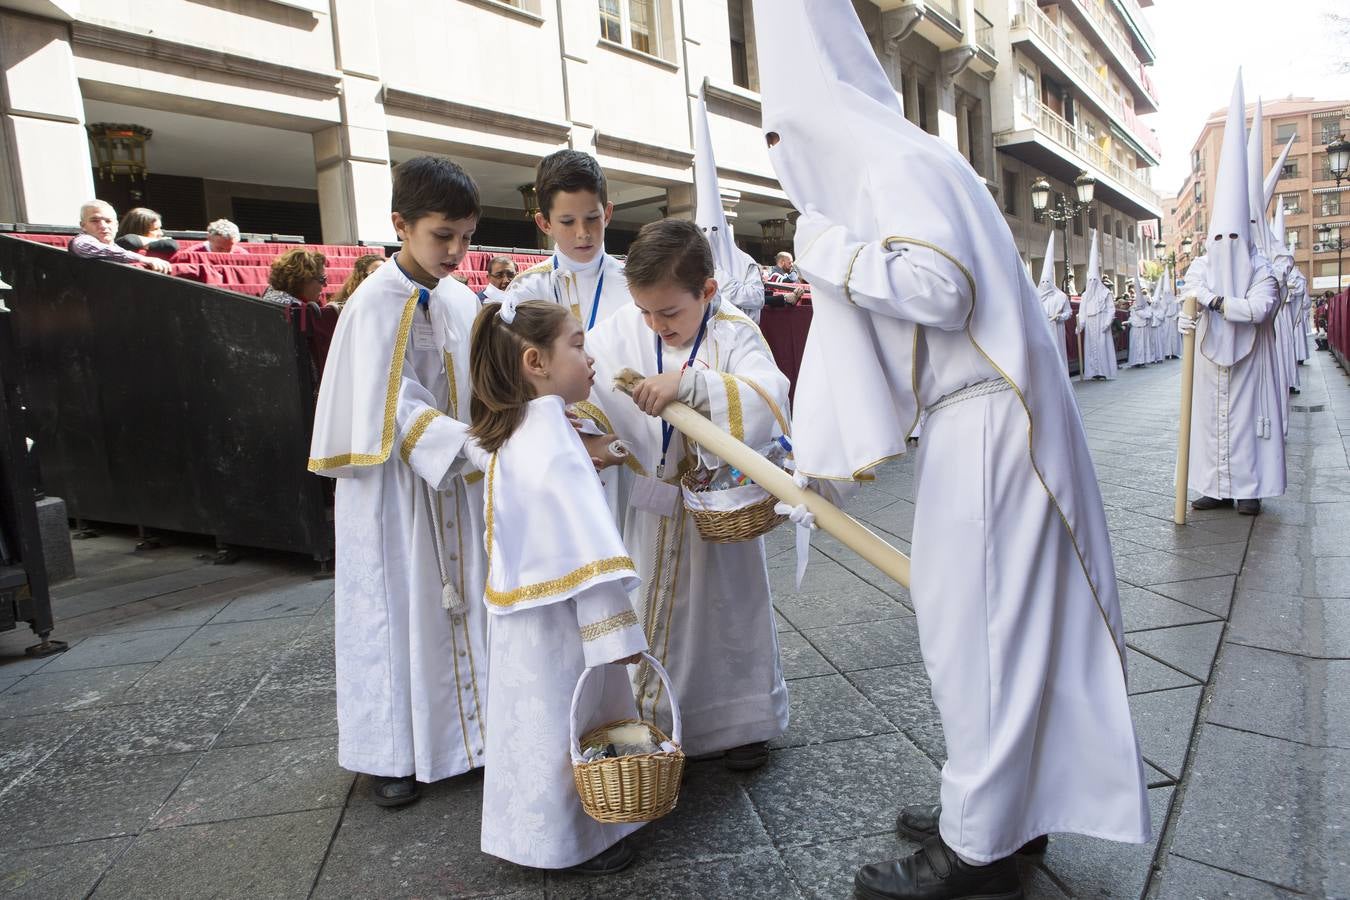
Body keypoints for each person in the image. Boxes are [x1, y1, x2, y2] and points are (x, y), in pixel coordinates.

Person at [753, 3, 1150, 897]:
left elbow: (939, 285)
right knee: (1002, 629)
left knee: (979, 634)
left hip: (989, 424)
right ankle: (1006, 808)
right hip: (991, 417)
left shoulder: (894, 163)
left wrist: (826, 248)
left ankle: (976, 850)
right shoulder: (910, 161)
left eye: (782, 132)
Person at [308, 156, 489, 808]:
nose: (457, 251)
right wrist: (470, 448)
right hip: (397, 493)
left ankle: (469, 738)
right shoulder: (373, 304)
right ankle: (392, 754)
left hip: (458, 482)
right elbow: (396, 408)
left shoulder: (462, 297)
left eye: (467, 236)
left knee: (462, 608)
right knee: (398, 614)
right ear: (401, 225)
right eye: (444, 235)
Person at [580, 218, 790, 770]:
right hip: (648, 505)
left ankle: (741, 723)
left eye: (670, 313)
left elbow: (771, 399)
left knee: (729, 614)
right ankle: (654, 723)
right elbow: (588, 387)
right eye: (646, 312)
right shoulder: (626, 325)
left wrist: (694, 384)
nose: (656, 325)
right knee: (646, 605)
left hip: (717, 507)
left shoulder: (733, 332)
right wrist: (589, 431)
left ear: (708, 291)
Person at [467, 298, 648, 876]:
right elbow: (585, 551)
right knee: (570, 724)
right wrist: (616, 635)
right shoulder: (549, 439)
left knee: (535, 729)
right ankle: (577, 840)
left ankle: (534, 837)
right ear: (535, 362)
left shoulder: (520, 428)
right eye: (576, 344)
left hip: (528, 618)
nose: (589, 357)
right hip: (566, 623)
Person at [1178, 73, 1285, 518]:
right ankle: (1213, 487)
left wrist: (1219, 303)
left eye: (1232, 236)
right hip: (1208, 359)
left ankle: (1248, 489)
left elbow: (1260, 308)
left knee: (1244, 425)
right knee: (1209, 423)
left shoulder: (1263, 269)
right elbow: (1190, 294)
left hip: (1250, 362)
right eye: (1217, 236)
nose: (1225, 244)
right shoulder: (1203, 263)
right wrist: (1188, 317)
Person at [506, 150, 631, 329]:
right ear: (545, 224)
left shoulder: (633, 282)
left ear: (607, 215)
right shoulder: (528, 289)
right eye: (567, 221)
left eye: (592, 218)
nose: (582, 233)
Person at [694, 85, 766, 323]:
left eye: (714, 230)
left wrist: (720, 279)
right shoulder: (688, 263)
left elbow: (757, 297)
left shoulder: (745, 262)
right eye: (704, 231)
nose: (710, 236)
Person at [68, 201, 172, 273]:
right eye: (95, 221)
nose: (103, 226)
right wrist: (144, 259)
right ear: (83, 226)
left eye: (108, 221)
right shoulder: (82, 241)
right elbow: (86, 247)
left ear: (116, 225)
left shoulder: (117, 248)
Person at [1076, 231, 1117, 380]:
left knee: (1101, 347)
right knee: (1091, 348)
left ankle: (1103, 371)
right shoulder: (1086, 295)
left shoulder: (1105, 293)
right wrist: (1080, 325)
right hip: (1090, 323)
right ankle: (1093, 372)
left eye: (1095, 280)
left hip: (1101, 322)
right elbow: (1082, 311)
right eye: (1090, 280)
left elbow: (1111, 309)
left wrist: (1107, 323)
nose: (1092, 283)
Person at [1036, 234, 1072, 371]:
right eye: (1043, 282)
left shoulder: (1061, 297)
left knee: (1057, 352)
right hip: (1042, 328)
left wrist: (1060, 317)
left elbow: (1068, 312)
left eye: (1047, 282)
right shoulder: (1036, 296)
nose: (1045, 284)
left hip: (1056, 328)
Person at [262, 248, 327, 307]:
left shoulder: (270, 294)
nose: (325, 285)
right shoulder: (296, 311)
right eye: (322, 279)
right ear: (304, 279)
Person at [115, 207, 179, 259]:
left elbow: (172, 245)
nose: (161, 233)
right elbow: (127, 241)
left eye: (160, 228)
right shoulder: (121, 244)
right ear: (139, 230)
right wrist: (155, 241)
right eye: (155, 229)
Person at [1125, 276, 1153, 368]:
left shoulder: (1147, 308)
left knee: (1142, 345)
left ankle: (1142, 361)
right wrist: (1129, 321)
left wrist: (1139, 312)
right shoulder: (1134, 307)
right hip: (1135, 329)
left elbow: (1148, 315)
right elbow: (1131, 317)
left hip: (1143, 330)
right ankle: (1135, 361)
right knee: (1135, 345)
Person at [181, 219, 249, 255]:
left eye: (229, 249)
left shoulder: (242, 254)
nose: (224, 253)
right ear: (209, 238)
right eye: (220, 249)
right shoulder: (192, 254)